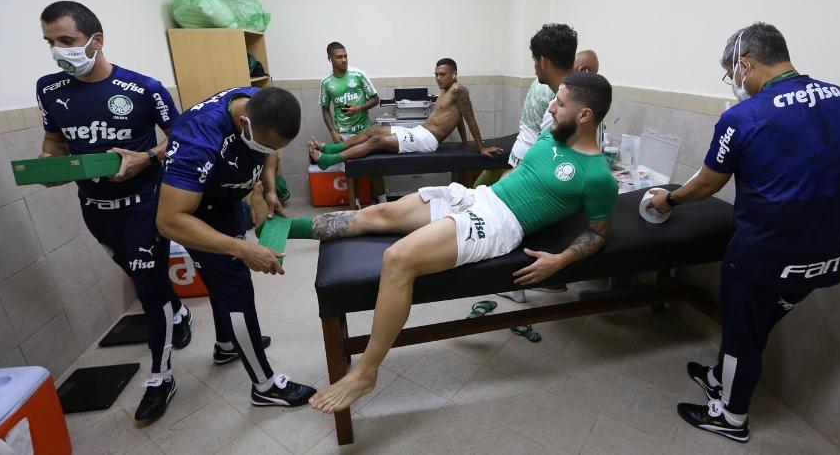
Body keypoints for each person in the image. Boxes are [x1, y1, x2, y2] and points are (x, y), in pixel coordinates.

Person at [262, 71, 617, 413]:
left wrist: (560, 261)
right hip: (481, 197)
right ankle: (283, 230)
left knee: (398, 258)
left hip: (499, 224)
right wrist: (479, 186)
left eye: (561, 103)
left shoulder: (597, 175)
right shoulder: (551, 134)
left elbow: (597, 234)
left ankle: (366, 372)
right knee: (375, 215)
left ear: (585, 115)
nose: (552, 107)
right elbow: (519, 173)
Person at [647, 22, 840, 443]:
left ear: (746, 64)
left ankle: (731, 416)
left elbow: (709, 182)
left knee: (742, 332)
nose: (734, 84)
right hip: (823, 254)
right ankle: (718, 378)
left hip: (763, 252)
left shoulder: (743, 117)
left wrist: (668, 200)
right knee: (756, 324)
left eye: (732, 74)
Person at [36, 1, 192, 422]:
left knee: (149, 287)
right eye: (50, 42)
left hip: (144, 206)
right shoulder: (49, 89)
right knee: (141, 275)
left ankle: (161, 378)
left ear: (95, 41)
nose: (57, 51)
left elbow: (179, 137)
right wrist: (50, 164)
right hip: (95, 210)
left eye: (65, 41)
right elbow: (55, 139)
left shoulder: (144, 88)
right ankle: (178, 310)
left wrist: (147, 158)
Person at [156, 86, 316, 407]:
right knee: (236, 288)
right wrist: (242, 249)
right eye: (266, 143)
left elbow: (271, 149)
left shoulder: (260, 102)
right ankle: (265, 386)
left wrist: (269, 188)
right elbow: (170, 220)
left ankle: (227, 344)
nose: (270, 149)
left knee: (224, 282)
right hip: (196, 213)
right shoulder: (197, 138)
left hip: (226, 199)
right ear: (245, 123)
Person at [495, 30, 592, 303]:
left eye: (535, 60)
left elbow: (552, 161)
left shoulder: (562, 105)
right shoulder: (563, 97)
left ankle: (519, 282)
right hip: (535, 168)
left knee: (519, 226)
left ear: (544, 61)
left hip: (536, 175)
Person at [308, 58, 502, 169]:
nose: (438, 78)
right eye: (436, 74)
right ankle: (333, 149)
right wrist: (464, 143)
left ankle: (330, 159)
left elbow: (469, 118)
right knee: (374, 130)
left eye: (442, 74)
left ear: (454, 73)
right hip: (420, 132)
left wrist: (480, 147)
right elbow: (458, 118)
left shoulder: (459, 90)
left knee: (376, 142)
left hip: (428, 141)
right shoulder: (446, 92)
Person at [319, 42, 380, 143]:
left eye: (345, 56)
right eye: (339, 57)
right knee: (346, 159)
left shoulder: (358, 74)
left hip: (364, 131)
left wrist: (359, 108)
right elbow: (325, 109)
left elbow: (375, 99)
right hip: (342, 134)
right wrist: (333, 132)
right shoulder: (326, 82)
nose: (344, 60)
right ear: (330, 59)